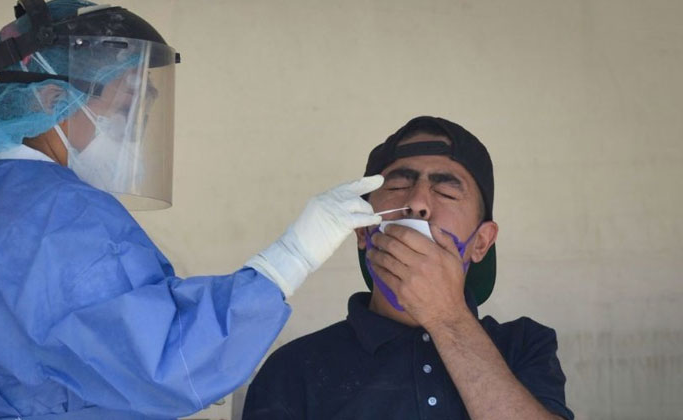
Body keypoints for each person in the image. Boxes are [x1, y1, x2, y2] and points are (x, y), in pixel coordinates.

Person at [0, 1, 384, 419]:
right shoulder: (61, 213)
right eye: (127, 106)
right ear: (51, 99)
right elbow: (168, 361)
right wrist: (294, 254)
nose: (135, 130)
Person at [243, 116, 575, 420]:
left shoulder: (523, 345)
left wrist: (448, 318)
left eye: (446, 191)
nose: (416, 203)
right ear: (362, 230)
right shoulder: (293, 369)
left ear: (481, 243)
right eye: (398, 187)